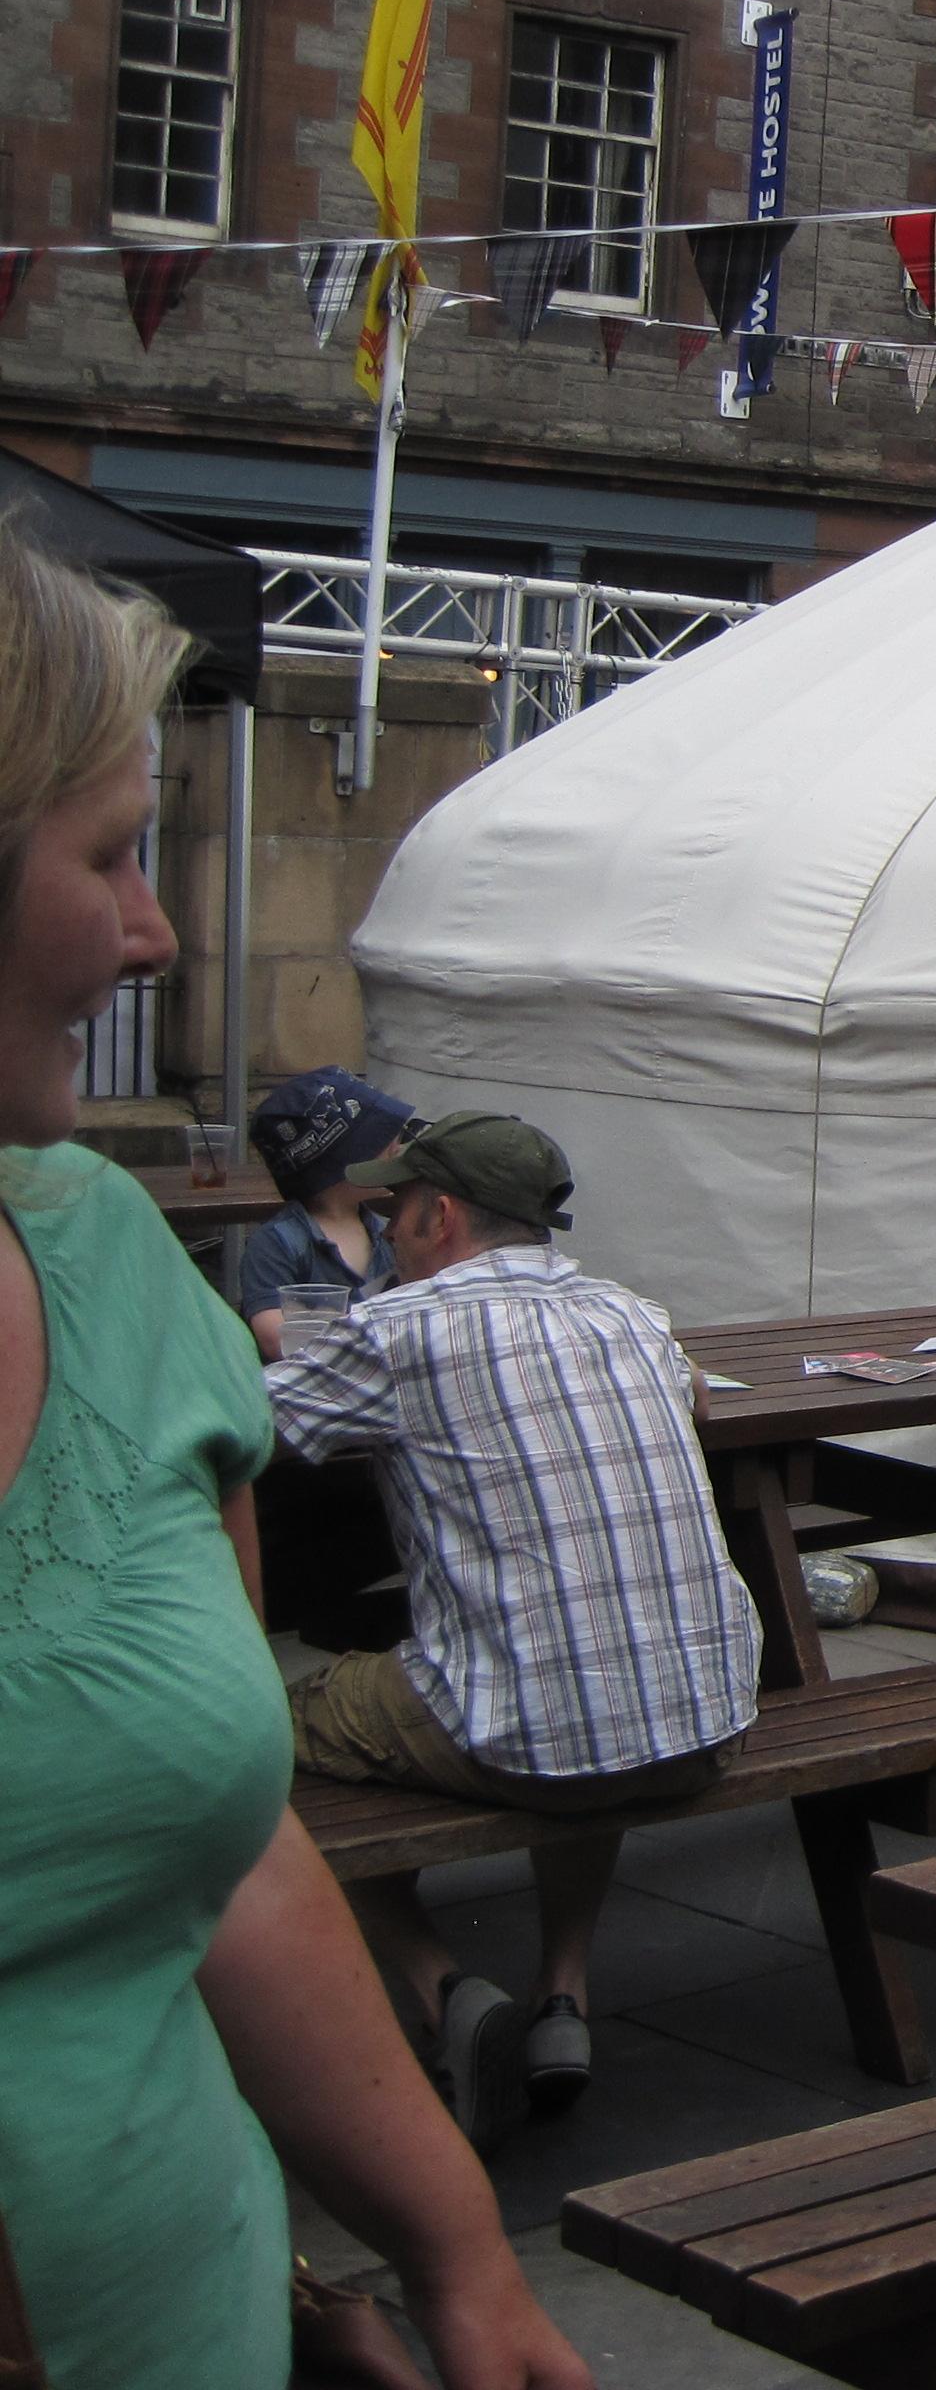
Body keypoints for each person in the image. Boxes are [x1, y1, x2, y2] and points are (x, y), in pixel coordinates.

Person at [0, 541, 586, 2388]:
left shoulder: (107, 1261)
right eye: (106, 856)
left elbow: (227, 1845)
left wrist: (442, 2261)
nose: (155, 934)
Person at [267, 1112, 763, 2147]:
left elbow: (242, 1428)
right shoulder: (633, 1315)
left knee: (253, 1740)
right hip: (705, 1722)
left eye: (393, 1209)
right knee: (593, 1649)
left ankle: (440, 1987)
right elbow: (699, 1402)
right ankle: (561, 1998)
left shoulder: (396, 1329)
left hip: (530, 1737)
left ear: (438, 1216)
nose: (388, 1228)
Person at [238, 1063, 414, 1357]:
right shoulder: (277, 1243)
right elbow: (273, 1337)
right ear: (339, 1163)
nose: (396, 1148)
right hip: (303, 1392)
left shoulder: (388, 1230)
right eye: (381, 1143)